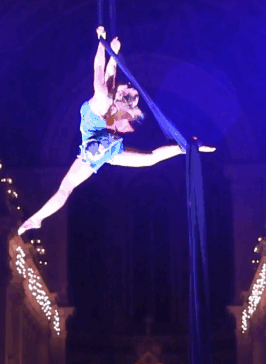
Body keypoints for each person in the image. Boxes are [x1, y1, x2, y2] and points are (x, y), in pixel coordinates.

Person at [17, 26, 214, 235]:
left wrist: (101, 44)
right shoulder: (107, 97)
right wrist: (114, 52)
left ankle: (38, 218)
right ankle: (188, 147)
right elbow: (110, 71)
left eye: (126, 86)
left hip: (96, 145)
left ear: (120, 93)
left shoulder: (102, 97)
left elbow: (99, 69)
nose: (125, 83)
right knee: (149, 158)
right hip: (102, 147)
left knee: (67, 188)